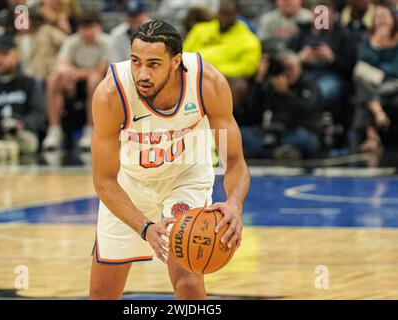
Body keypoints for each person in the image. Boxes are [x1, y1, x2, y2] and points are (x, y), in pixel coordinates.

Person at [89, 20, 250, 299]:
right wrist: (145, 228)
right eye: (136, 62)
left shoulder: (206, 83)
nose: (142, 73)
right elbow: (103, 181)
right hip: (129, 184)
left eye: (153, 64)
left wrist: (234, 203)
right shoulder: (111, 94)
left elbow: (234, 161)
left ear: (176, 61)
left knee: (187, 278)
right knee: (102, 294)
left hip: (185, 177)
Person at [42, 11, 111, 151]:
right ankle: (54, 130)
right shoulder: (72, 41)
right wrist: (67, 74)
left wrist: (75, 73)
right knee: (54, 79)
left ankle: (90, 130)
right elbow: (61, 64)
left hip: (100, 84)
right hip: (73, 83)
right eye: (84, 28)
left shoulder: (108, 42)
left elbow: (101, 70)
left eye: (91, 27)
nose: (88, 32)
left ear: (99, 28)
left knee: (94, 80)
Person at [243, 50, 322, 159]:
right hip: (270, 134)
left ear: (300, 68)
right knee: (243, 133)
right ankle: (278, 153)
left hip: (296, 131)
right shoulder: (271, 85)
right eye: (283, 68)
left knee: (304, 138)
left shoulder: (309, 84)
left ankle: (269, 153)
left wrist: (286, 93)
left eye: (290, 68)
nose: (287, 73)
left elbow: (307, 110)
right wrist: (259, 82)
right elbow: (252, 111)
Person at [183, 0, 261, 110]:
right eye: (222, 13)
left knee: (239, 85)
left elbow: (248, 67)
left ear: (237, 15)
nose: (224, 17)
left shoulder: (249, 39)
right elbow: (184, 53)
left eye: (228, 14)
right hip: (195, 72)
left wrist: (215, 71)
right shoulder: (200, 30)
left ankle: (220, 119)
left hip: (225, 78)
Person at [349, 4, 398, 152]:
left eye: (384, 17)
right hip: (373, 85)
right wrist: (376, 43)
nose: (381, 20)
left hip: (393, 83)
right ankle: (377, 115)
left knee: (363, 96)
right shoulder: (368, 40)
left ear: (393, 20)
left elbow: (395, 69)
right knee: (360, 80)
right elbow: (361, 64)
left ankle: (372, 137)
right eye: (378, 17)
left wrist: (378, 71)